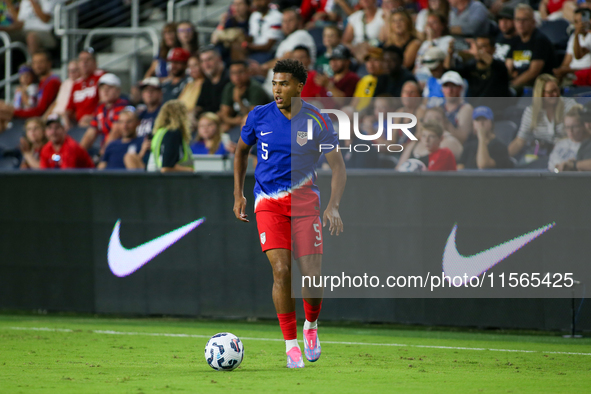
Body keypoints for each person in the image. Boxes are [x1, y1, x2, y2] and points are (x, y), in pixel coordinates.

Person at [233, 59, 346, 369]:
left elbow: (338, 166)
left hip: (305, 203)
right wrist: (238, 194)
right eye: (274, 83)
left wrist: (333, 205)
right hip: (268, 202)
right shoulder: (258, 116)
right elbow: (241, 151)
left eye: (283, 83)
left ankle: (311, 326)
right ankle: (290, 344)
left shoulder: (318, 120)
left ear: (299, 86)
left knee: (311, 277)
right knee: (282, 272)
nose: (277, 89)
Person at [509, 74, 576, 160]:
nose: (555, 94)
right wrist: (503, 159)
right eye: (550, 92)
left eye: (556, 90)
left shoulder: (570, 106)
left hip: (569, 153)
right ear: (540, 93)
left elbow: (580, 135)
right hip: (541, 155)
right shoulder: (531, 112)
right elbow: (520, 141)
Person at [258, 8, 317, 97]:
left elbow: (286, 59)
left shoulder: (301, 34)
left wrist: (262, 67)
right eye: (284, 21)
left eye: (290, 20)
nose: (286, 24)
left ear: (300, 22)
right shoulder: (286, 40)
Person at [0, 50, 60, 131]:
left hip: (38, 119)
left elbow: (40, 111)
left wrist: (14, 112)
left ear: (49, 64)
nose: (37, 66)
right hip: (31, 114)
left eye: (41, 62)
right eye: (34, 63)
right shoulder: (40, 82)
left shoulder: (52, 82)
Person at [396, 106, 463, 168]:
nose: (433, 121)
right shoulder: (413, 144)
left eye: (437, 119)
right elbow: (399, 168)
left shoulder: (449, 142)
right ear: (423, 121)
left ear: (444, 123)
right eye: (429, 118)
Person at [507, 4, 556, 89]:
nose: (520, 23)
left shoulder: (540, 40)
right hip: (519, 83)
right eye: (518, 19)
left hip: (538, 86)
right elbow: (508, 66)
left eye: (524, 20)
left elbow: (533, 72)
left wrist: (512, 85)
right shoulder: (515, 40)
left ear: (533, 22)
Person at [80, 73, 129, 151]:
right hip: (106, 148)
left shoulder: (122, 105)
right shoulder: (100, 107)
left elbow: (115, 132)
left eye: (109, 88)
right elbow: (90, 133)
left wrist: (103, 155)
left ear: (118, 90)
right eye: (102, 88)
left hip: (121, 148)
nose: (105, 91)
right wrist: (79, 152)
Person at [220, 60, 270, 135]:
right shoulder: (229, 88)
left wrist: (238, 101)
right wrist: (234, 121)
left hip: (262, 125)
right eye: (233, 73)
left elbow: (253, 118)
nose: (237, 76)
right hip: (239, 123)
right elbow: (224, 115)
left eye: (240, 72)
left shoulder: (255, 89)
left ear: (248, 72)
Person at [146, 100, 194, 173]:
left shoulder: (160, 132)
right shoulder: (173, 133)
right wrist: (190, 171)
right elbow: (167, 167)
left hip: (157, 178)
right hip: (172, 181)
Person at [65, 49, 106, 129]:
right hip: (78, 125)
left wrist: (93, 116)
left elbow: (106, 102)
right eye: (81, 60)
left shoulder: (102, 77)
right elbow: (69, 109)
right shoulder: (76, 84)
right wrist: (66, 121)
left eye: (88, 59)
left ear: (95, 62)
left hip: (97, 122)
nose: (84, 62)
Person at [414, 12, 453, 83]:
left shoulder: (448, 40)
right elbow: (417, 63)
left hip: (432, 77)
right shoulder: (425, 43)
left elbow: (435, 57)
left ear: (442, 25)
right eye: (428, 23)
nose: (430, 26)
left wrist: (430, 38)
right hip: (418, 77)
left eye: (434, 23)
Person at [554, 8, 591, 83]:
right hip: (571, 76)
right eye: (575, 22)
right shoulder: (574, 36)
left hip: (585, 78)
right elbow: (566, 62)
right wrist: (561, 71)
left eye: (580, 21)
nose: (577, 25)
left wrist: (566, 71)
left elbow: (578, 55)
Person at [549, 105, 588, 171]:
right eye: (567, 127)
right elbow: (551, 165)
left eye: (574, 126)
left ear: (583, 126)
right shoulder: (560, 144)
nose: (570, 131)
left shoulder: (587, 145)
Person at [439, 70, 473, 144]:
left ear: (460, 88)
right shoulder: (439, 108)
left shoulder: (466, 108)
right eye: (446, 86)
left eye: (453, 86)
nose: (449, 90)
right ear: (442, 89)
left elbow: (463, 138)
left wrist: (445, 123)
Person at [196, 46, 231, 115]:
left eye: (209, 59)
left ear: (219, 59)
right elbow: (200, 105)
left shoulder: (230, 79)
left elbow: (228, 111)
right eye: (202, 61)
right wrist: (193, 114)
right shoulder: (206, 83)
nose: (206, 64)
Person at [352, 46, 385, 111]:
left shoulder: (386, 81)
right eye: (368, 61)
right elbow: (354, 103)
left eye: (375, 60)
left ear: (384, 62)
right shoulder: (364, 80)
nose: (371, 64)